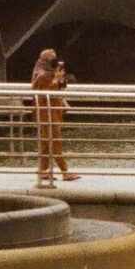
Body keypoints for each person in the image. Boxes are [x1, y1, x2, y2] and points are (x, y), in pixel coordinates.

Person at [29, 48, 77, 186]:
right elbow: (43, 95)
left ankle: (43, 170)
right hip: (46, 113)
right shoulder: (42, 76)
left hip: (53, 111)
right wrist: (55, 80)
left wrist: (60, 78)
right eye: (52, 59)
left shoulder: (48, 74)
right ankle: (65, 171)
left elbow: (59, 88)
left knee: (46, 142)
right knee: (55, 141)